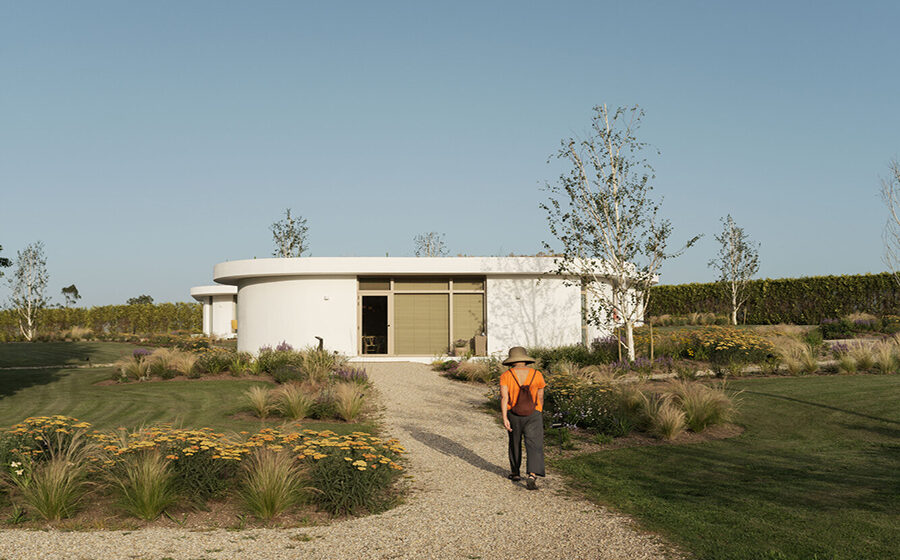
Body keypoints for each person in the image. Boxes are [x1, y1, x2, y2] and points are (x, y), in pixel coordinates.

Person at [499, 346, 546, 490]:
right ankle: (532, 475)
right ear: (525, 359)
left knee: (515, 442)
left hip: (514, 413)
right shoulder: (537, 374)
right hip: (533, 413)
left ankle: (515, 473)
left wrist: (505, 417)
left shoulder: (506, 376)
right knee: (534, 444)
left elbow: (504, 397)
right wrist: (538, 410)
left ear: (511, 361)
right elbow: (540, 396)